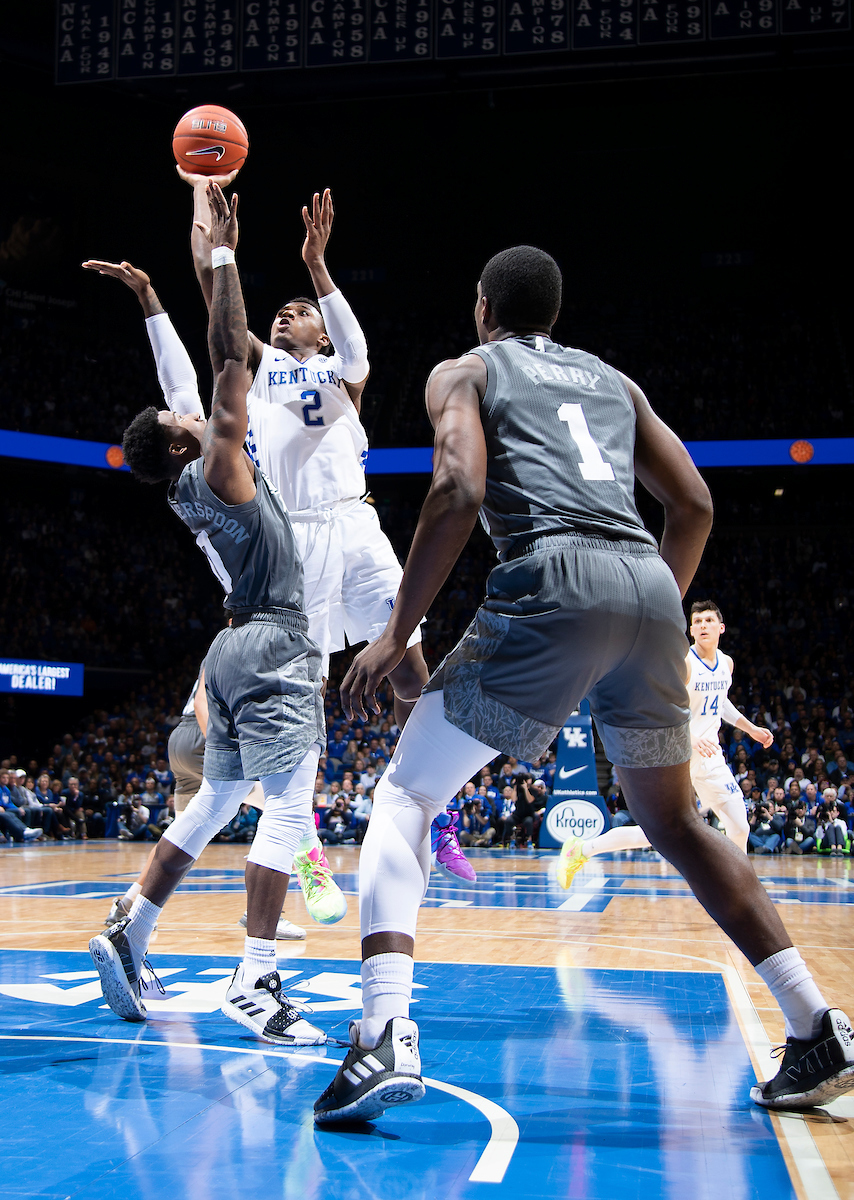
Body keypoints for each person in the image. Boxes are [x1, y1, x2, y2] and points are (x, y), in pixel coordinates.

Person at [312, 245, 854, 1122]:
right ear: (552, 314)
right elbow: (697, 506)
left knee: (406, 795)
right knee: (676, 820)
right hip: (648, 583)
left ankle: (381, 1037)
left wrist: (395, 631)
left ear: (483, 306)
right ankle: (814, 1023)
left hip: (552, 578)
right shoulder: (614, 382)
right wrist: (643, 614)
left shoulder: (465, 369)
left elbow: (455, 488)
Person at [88, 183, 330, 1046]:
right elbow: (227, 356)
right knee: (292, 805)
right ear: (188, 438)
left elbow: (185, 381)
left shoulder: (189, 478)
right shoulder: (221, 463)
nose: (188, 406)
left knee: (221, 795)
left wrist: (157, 297)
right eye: (182, 416)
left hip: (229, 648)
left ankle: (133, 925)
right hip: (269, 640)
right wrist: (224, 254)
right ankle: (255, 982)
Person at [180, 172, 472, 882]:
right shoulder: (262, 363)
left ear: (320, 327)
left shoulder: (346, 371)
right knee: (298, 691)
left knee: (411, 671)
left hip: (355, 525)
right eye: (280, 310)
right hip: (292, 539)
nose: (285, 315)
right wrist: (203, 205)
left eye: (298, 310)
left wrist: (317, 266)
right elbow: (212, 292)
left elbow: (359, 347)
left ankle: (433, 814)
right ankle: (302, 839)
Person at [559, 600, 774, 870]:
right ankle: (581, 850)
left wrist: (750, 728)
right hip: (677, 754)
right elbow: (660, 705)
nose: (702, 625)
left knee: (740, 826)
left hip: (709, 758)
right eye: (697, 622)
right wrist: (690, 737)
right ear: (691, 631)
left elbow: (719, 702)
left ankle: (740, 886)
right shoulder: (685, 664)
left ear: (721, 628)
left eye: (708, 620)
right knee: (659, 832)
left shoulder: (726, 664)